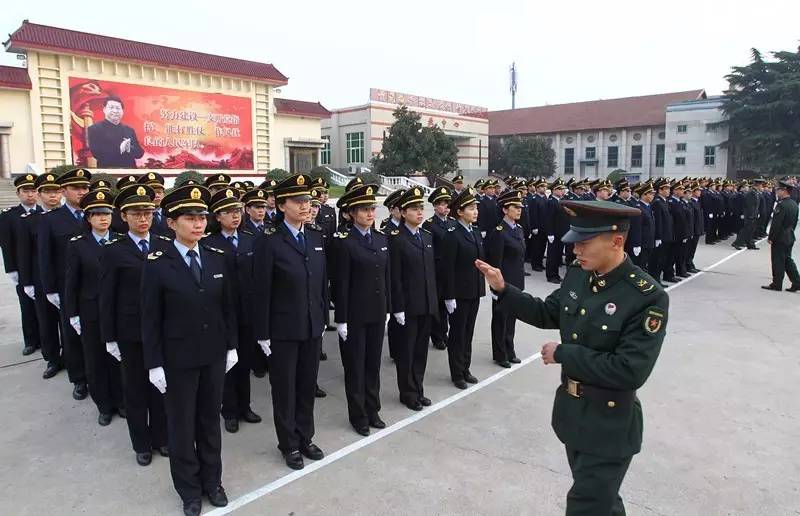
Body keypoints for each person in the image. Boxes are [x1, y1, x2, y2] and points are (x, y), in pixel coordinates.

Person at [476, 199, 669, 516]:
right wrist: (502, 289)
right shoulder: (580, 275)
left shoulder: (646, 297)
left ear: (617, 241)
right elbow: (546, 312)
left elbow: (630, 370)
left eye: (584, 243)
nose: (575, 251)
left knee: (586, 505)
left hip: (609, 425)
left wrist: (563, 353)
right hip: (573, 414)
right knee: (602, 500)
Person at [141, 185, 237, 516]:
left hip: (212, 356)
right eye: (189, 218)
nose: (198, 224)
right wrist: (154, 363)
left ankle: (213, 482)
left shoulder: (216, 257)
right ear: (170, 223)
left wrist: (232, 346)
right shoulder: (156, 263)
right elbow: (150, 318)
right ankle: (190, 490)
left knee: (209, 421)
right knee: (181, 426)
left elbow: (228, 308)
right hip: (177, 360)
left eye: (201, 217)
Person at [252, 174, 329, 470]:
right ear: (282, 205)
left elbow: (321, 282)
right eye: (298, 201)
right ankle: (288, 443)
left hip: (311, 326)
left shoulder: (315, 236)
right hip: (282, 330)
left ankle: (305, 436)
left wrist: (323, 317)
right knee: (284, 389)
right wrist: (263, 334)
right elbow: (260, 290)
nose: (305, 206)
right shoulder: (269, 242)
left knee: (306, 385)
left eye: (307, 200)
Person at [100, 184, 171, 466]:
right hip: (130, 332)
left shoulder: (164, 243)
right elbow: (106, 298)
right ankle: (142, 443)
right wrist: (109, 337)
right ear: (124, 216)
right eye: (136, 214)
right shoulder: (114, 250)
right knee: (136, 389)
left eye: (148, 213)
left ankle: (162, 437)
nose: (143, 219)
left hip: (162, 329)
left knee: (162, 386)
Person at [201, 188, 262, 434]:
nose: (235, 216)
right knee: (227, 364)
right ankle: (229, 411)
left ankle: (245, 406)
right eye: (228, 212)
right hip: (222, 314)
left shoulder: (250, 239)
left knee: (244, 361)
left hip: (246, 313)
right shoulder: (208, 243)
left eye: (237, 211)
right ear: (217, 216)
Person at [64, 189, 125, 426]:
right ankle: (104, 405)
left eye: (107, 213)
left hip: (118, 312)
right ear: (88, 218)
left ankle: (121, 402)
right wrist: (73, 314)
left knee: (119, 359)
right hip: (91, 312)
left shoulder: (121, 241)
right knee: (95, 359)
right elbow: (71, 283)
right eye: (97, 214)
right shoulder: (78, 245)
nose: (103, 218)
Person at [333, 184, 390, 436]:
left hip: (377, 312)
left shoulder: (380, 238)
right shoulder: (344, 242)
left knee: (372, 365)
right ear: (352, 213)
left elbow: (385, 277)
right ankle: (358, 415)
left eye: (372, 209)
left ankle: (373, 409)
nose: (370, 214)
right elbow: (340, 283)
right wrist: (341, 319)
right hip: (355, 315)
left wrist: (387, 308)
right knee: (355, 367)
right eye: (364, 210)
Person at [38, 167, 91, 400]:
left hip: (95, 287)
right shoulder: (51, 219)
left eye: (85, 188)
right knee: (72, 334)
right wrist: (50, 289)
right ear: (64, 191)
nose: (82, 192)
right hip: (67, 287)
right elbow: (45, 257)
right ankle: (79, 379)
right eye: (76, 188)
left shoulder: (98, 215)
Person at [387, 187, 438, 412]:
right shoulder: (396, 239)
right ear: (403, 212)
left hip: (426, 304)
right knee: (406, 352)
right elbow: (395, 277)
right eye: (414, 209)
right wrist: (396, 307)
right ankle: (407, 393)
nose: (419, 213)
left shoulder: (426, 236)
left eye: (421, 208)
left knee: (421, 352)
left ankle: (418, 389)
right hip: (408, 306)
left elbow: (431, 273)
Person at [16, 173, 62, 378]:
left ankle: (71, 358)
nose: (53, 196)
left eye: (56, 191)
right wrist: (26, 281)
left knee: (68, 324)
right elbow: (24, 254)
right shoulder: (30, 220)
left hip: (64, 279)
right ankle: (52, 359)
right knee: (47, 321)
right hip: (41, 279)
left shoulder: (69, 218)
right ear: (40, 194)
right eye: (47, 192)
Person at [441, 187, 485, 389]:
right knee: (458, 334)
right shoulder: (452, 235)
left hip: (474, 290)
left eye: (476, 207)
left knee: (468, 332)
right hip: (458, 293)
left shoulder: (475, 232)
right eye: (470, 208)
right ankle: (456, 373)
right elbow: (447, 268)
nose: (475, 211)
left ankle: (465, 368)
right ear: (459, 211)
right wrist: (449, 296)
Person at [0, 174, 42, 356]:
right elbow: (6, 244)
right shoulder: (9, 216)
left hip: (42, 268)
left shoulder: (44, 213)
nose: (30, 195)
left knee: (46, 309)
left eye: (33, 190)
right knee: (27, 306)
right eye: (26, 191)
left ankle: (47, 339)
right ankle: (31, 341)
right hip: (22, 269)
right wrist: (11, 269)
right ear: (18, 193)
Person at [485, 189, 526, 368]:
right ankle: (500, 354)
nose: (519, 210)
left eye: (520, 207)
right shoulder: (499, 232)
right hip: (503, 284)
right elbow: (495, 263)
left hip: (516, 282)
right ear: (504, 209)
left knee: (511, 318)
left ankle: (510, 349)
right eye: (515, 207)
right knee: (501, 318)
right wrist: (494, 288)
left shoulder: (519, 229)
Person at [422, 187, 456, 351]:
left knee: (450, 305)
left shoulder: (453, 222)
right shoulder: (429, 225)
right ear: (435, 207)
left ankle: (445, 333)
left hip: (451, 271)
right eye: (442, 204)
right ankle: (438, 336)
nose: (445, 207)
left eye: (447, 204)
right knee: (439, 306)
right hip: (437, 270)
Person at [762, 180, 800, 292]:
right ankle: (797, 282)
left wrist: (771, 238)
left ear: (784, 191)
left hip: (780, 237)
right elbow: (794, 222)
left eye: (778, 190)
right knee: (788, 260)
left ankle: (777, 283)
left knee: (778, 260)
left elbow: (776, 224)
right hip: (790, 235)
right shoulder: (794, 204)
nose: (777, 192)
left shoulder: (782, 205)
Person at [87, 96, 144, 168]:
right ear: (104, 109)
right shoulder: (94, 129)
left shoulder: (129, 130)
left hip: (130, 173)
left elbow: (140, 153)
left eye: (118, 108)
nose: (115, 111)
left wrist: (129, 148)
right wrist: (120, 148)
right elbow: (97, 153)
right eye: (111, 107)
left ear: (122, 111)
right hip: (108, 173)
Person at [544, 179, 570, 284]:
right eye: (560, 189)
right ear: (554, 190)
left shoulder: (560, 201)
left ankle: (556, 274)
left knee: (558, 255)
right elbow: (548, 219)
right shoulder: (551, 202)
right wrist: (550, 233)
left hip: (561, 233)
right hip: (554, 234)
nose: (562, 191)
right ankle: (551, 275)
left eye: (563, 189)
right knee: (552, 256)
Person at [137, 172, 172, 238]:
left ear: (164, 194)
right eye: (153, 193)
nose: (157, 195)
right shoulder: (138, 216)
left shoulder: (171, 213)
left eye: (159, 192)